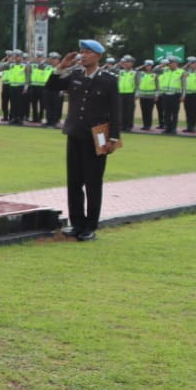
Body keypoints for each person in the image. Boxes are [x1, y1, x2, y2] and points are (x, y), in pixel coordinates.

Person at [57, 39, 121, 241]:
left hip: (97, 136)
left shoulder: (108, 80)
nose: (82, 56)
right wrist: (61, 66)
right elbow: (51, 86)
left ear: (98, 56)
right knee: (74, 182)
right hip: (75, 133)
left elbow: (115, 111)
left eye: (88, 52)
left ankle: (90, 226)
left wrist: (113, 138)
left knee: (93, 182)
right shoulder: (75, 75)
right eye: (81, 52)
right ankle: (76, 223)